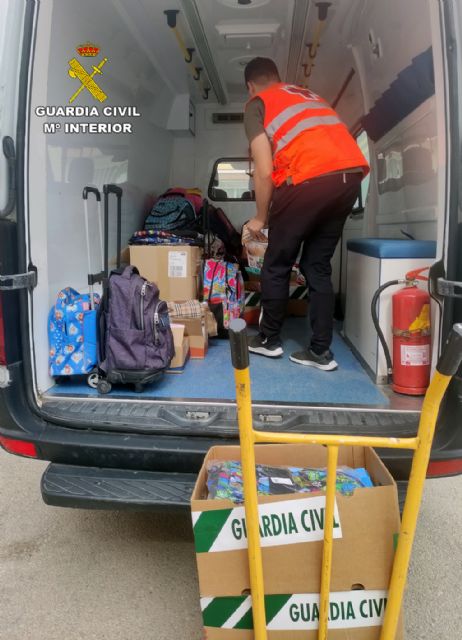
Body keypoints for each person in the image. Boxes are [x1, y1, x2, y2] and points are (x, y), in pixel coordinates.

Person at [243, 57, 369, 371]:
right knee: (317, 265)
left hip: (308, 177)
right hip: (349, 177)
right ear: (277, 76)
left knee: (276, 263)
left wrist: (260, 218)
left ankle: (269, 340)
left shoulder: (257, 103)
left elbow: (263, 169)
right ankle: (320, 353)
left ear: (250, 86)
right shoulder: (308, 96)